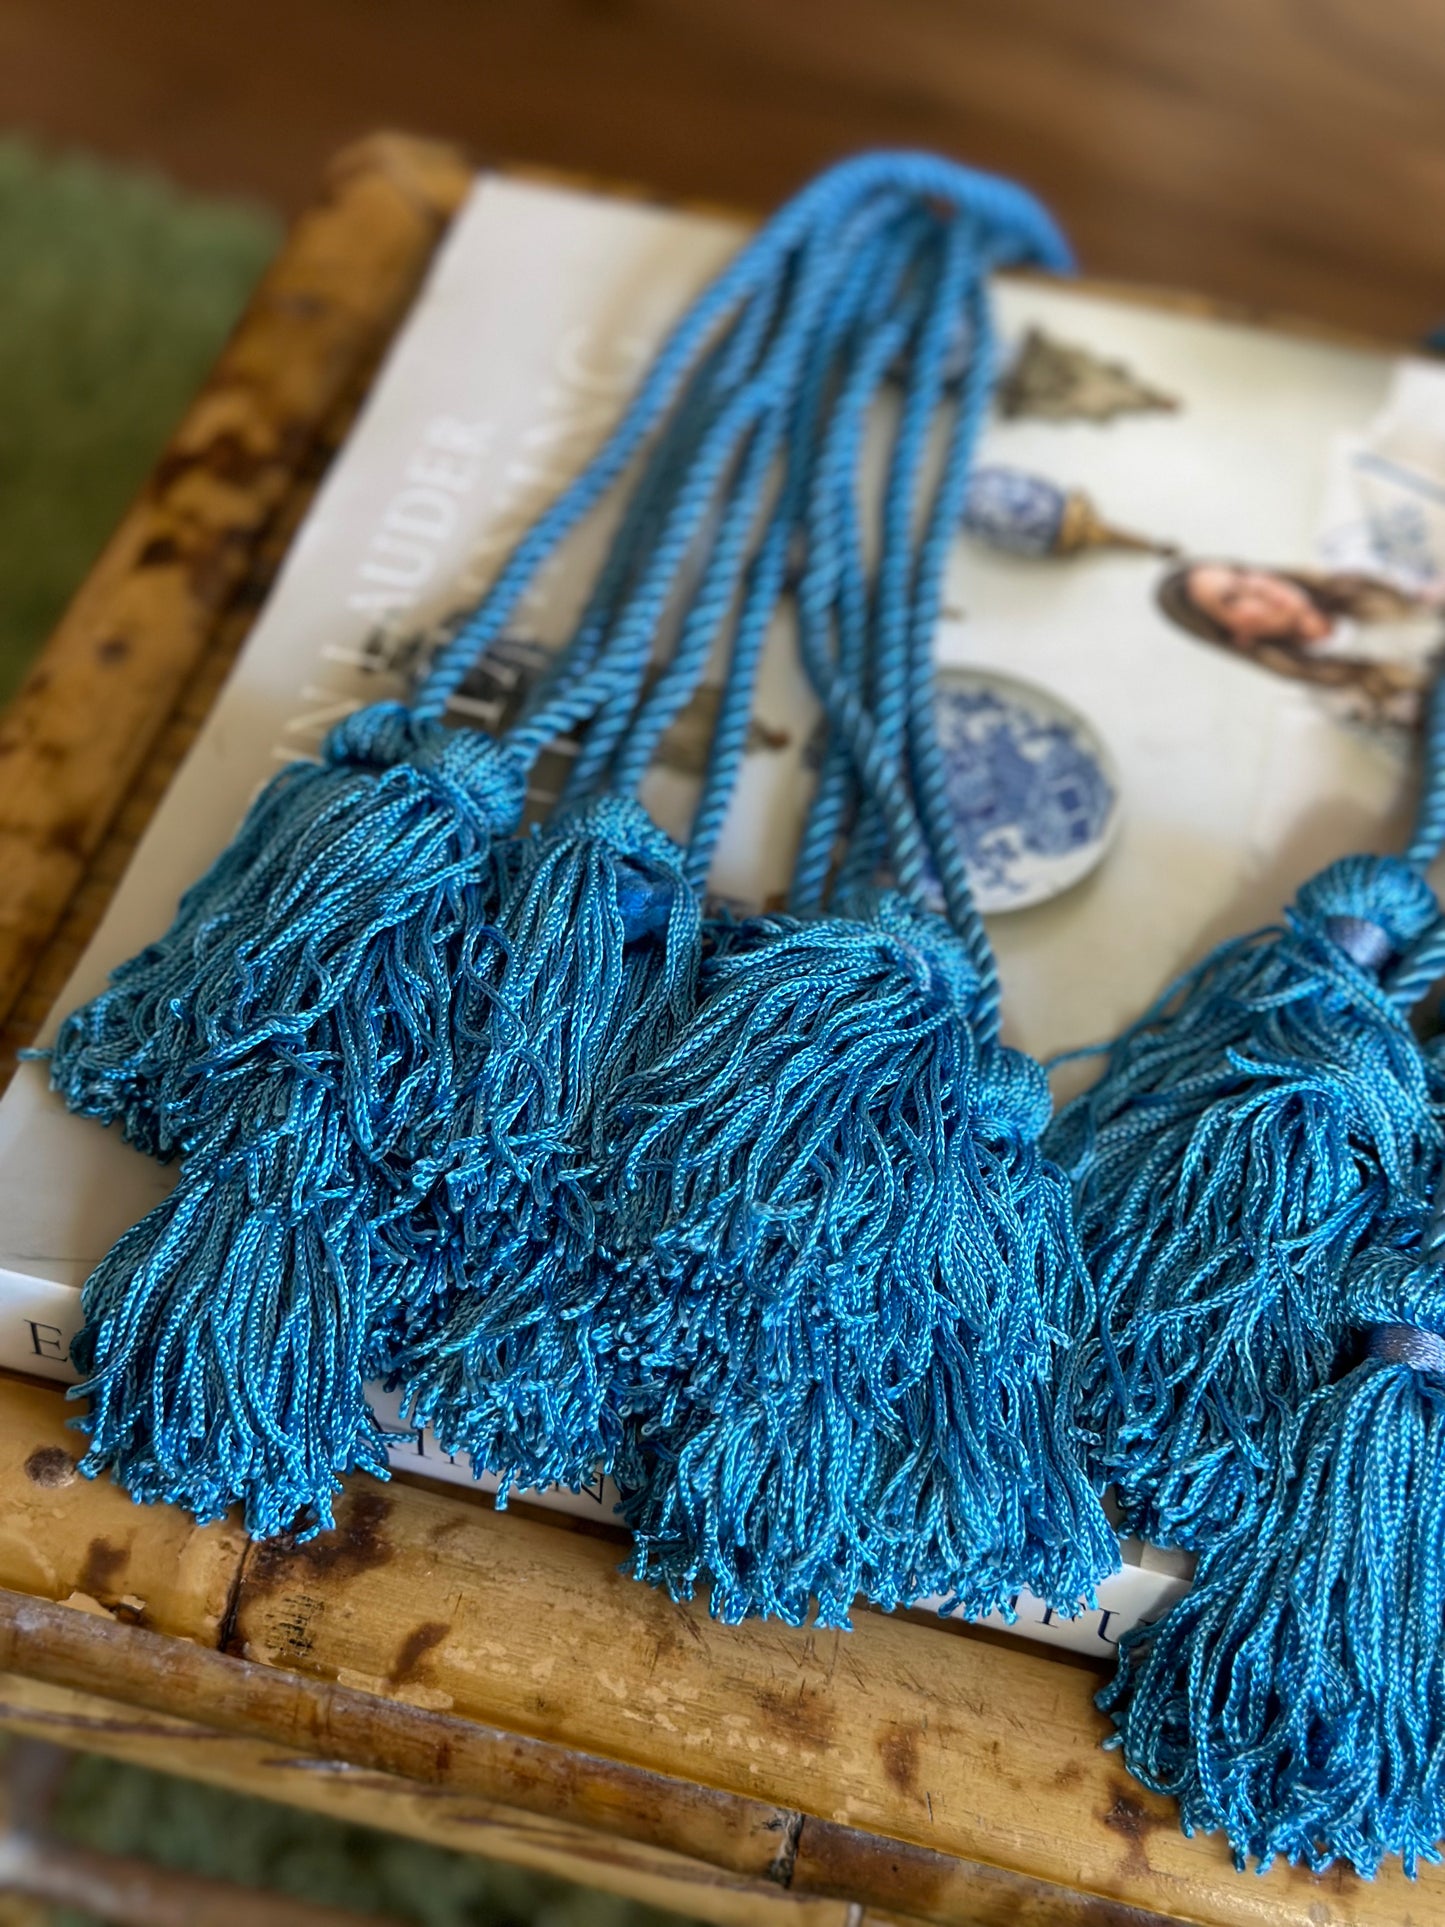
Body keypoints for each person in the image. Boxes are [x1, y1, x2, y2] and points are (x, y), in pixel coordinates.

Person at [1156, 560, 1444, 728]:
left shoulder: (1366, 578)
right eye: (1233, 598)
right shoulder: (1336, 697)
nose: (1257, 587)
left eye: (1242, 572)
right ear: (1236, 636)